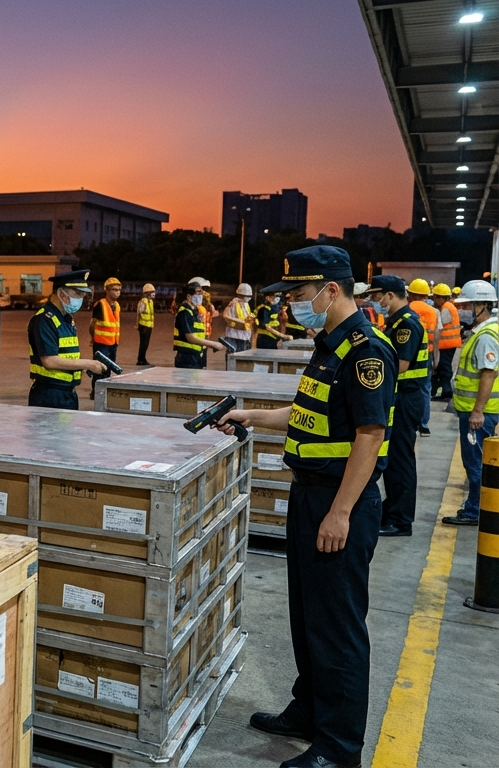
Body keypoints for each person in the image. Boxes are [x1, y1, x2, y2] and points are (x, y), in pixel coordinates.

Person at [216, 245, 393, 768]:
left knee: (337, 627)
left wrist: (340, 512)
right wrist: (251, 415)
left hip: (339, 501)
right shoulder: (328, 345)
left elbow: (370, 435)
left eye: (299, 293)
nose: (291, 303)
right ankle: (309, 711)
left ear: (331, 290)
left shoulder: (365, 351)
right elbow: (306, 412)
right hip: (309, 494)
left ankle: (338, 748)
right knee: (308, 616)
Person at [367, 276, 427, 538]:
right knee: (392, 460)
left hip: (405, 399)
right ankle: (392, 510)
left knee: (400, 460)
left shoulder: (407, 325)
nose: (374, 302)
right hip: (398, 397)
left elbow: (400, 365)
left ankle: (401, 520)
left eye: (376, 296)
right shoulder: (395, 322)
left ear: (390, 295)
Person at [443, 280, 499, 526]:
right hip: (476, 411)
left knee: (475, 463)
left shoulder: (486, 336)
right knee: (476, 462)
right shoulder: (483, 332)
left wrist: (477, 411)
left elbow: (488, 374)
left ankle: (474, 510)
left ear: (482, 305)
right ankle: (477, 507)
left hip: (478, 415)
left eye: (467, 306)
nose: (462, 310)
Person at [27, 269, 111, 409]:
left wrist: (80, 367)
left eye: (83, 295)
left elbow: (66, 354)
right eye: (77, 294)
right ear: (61, 294)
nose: (81, 299)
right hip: (49, 394)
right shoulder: (45, 320)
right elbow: (49, 361)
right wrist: (87, 364)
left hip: (67, 392)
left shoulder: (65, 318)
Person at [407, 278, 439, 435]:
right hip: (427, 354)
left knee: (406, 389)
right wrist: (436, 358)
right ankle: (423, 424)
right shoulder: (433, 311)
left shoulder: (406, 309)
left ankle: (409, 421)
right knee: (425, 388)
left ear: (410, 294)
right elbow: (437, 335)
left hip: (408, 354)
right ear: (426, 295)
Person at [173, 282, 224, 368]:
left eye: (201, 293)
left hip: (196, 355)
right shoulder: (184, 313)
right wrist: (212, 344)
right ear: (189, 296)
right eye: (198, 293)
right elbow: (190, 337)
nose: (201, 296)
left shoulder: (194, 311)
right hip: (187, 358)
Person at [88, 277, 122, 397]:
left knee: (109, 369)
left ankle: (105, 390)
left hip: (113, 342)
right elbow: (92, 323)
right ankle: (96, 391)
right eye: (114, 289)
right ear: (107, 290)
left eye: (119, 290)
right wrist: (92, 338)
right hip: (101, 343)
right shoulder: (100, 305)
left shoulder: (117, 305)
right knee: (99, 368)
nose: (117, 292)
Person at [433, 282, 461, 401]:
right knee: (443, 367)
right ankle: (444, 390)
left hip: (446, 344)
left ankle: (447, 391)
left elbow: (440, 324)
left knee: (444, 367)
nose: (434, 300)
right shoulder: (449, 306)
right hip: (449, 343)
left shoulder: (446, 308)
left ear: (441, 298)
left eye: (435, 297)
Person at [223, 283, 255, 353]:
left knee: (243, 355)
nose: (249, 298)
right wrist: (241, 322)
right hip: (234, 335)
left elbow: (246, 316)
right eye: (247, 296)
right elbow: (227, 316)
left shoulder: (246, 304)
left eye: (250, 296)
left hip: (244, 335)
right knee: (233, 355)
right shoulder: (233, 304)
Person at [136, 283, 156, 365]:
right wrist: (137, 325)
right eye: (152, 292)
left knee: (146, 343)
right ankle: (140, 359)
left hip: (149, 325)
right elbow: (139, 313)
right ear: (147, 293)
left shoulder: (150, 302)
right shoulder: (143, 302)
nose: (153, 293)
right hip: (143, 326)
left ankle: (143, 358)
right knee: (143, 343)